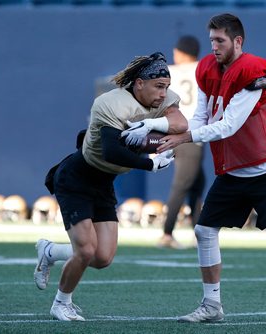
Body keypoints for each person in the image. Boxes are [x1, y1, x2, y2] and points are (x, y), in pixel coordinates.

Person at [153, 13, 266, 326]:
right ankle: (211, 305)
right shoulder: (206, 67)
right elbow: (202, 115)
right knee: (203, 230)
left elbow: (230, 125)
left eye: (220, 40)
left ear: (238, 41)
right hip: (234, 170)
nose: (214, 46)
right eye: (211, 40)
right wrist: (183, 141)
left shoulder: (254, 70)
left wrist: (183, 136)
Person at [34, 52, 187, 322]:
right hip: (77, 178)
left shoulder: (161, 102)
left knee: (102, 257)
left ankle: (50, 251)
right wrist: (150, 164)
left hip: (104, 183)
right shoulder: (112, 103)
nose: (164, 94)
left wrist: (150, 124)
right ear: (139, 83)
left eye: (166, 87)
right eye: (159, 87)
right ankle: (61, 303)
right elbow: (112, 151)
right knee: (85, 251)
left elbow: (181, 124)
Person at [157, 35, 206, 249]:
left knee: (196, 182)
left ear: (181, 52)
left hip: (178, 128)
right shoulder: (203, 69)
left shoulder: (169, 71)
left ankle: (197, 232)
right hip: (192, 134)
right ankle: (167, 233)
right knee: (183, 183)